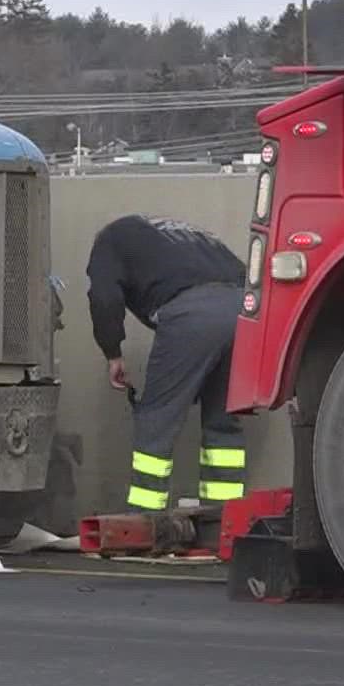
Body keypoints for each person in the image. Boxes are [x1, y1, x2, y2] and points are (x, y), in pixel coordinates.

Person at [85, 214, 247, 512]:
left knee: (156, 419)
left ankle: (144, 518)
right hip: (246, 311)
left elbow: (104, 297)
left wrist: (113, 353)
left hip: (192, 314)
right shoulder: (188, 234)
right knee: (223, 421)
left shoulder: (109, 241)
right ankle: (224, 520)